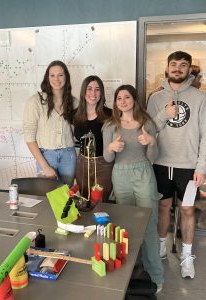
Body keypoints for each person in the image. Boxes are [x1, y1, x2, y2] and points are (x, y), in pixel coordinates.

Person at [147, 51, 206, 279]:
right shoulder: (155, 98)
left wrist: (201, 167)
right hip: (161, 164)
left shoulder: (200, 98)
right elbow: (148, 130)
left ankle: (187, 256)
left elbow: (204, 135)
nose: (178, 69)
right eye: (174, 64)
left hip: (189, 167)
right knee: (163, 207)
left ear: (190, 69)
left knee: (188, 210)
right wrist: (164, 114)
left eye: (183, 65)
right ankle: (161, 247)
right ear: (167, 67)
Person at [103, 84, 164, 291]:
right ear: (115, 102)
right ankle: (129, 276)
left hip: (144, 173)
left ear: (134, 100)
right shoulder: (110, 125)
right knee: (125, 227)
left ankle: (156, 275)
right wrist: (111, 147)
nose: (123, 101)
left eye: (127, 97)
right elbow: (107, 157)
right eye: (119, 98)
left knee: (148, 224)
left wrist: (152, 141)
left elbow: (153, 158)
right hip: (120, 175)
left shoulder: (146, 123)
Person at [23, 60, 77, 187]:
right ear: (47, 78)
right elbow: (29, 136)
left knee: (65, 198)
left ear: (66, 77)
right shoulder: (35, 101)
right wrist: (44, 166)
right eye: (52, 75)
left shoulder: (75, 102)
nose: (56, 79)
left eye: (60, 75)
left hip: (68, 156)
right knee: (46, 196)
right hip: (46, 156)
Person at [73, 75, 113, 204]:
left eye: (97, 89)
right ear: (83, 91)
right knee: (83, 203)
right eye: (89, 89)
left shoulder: (110, 115)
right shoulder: (75, 115)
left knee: (99, 205)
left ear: (101, 92)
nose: (93, 93)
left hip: (103, 165)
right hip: (82, 164)